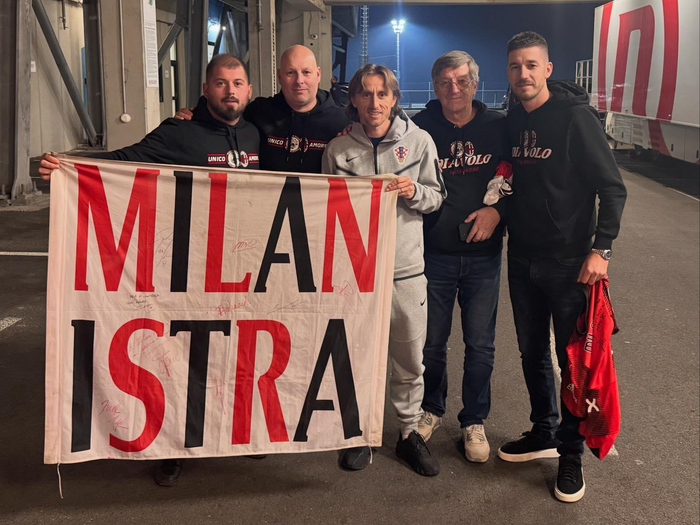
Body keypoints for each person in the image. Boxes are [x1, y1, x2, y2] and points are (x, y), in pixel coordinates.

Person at [38, 54, 261, 488]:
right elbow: (123, 159)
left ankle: (233, 434)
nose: (230, 91)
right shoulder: (179, 132)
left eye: (237, 83)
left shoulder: (254, 133)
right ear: (205, 89)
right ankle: (173, 449)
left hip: (241, 270)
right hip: (189, 272)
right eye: (221, 83)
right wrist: (65, 165)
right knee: (182, 363)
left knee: (232, 357)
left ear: (249, 91)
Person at [498, 31, 627, 503]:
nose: (523, 74)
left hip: (570, 263)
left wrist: (601, 249)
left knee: (573, 363)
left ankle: (571, 454)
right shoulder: (513, 119)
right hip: (521, 258)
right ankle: (543, 431)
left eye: (532, 65)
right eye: (515, 66)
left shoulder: (575, 117)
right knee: (531, 353)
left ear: (548, 69)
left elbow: (612, 188)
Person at [322, 64, 446, 477]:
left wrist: (414, 191)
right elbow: (325, 210)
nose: (374, 103)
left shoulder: (419, 141)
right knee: (357, 356)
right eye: (365, 94)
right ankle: (361, 434)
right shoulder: (338, 150)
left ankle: (409, 433)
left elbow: (437, 197)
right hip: (355, 274)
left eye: (382, 94)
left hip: (405, 271)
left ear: (394, 99)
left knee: (410, 359)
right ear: (354, 100)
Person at [411, 51, 509, 463]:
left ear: (475, 83)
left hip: (483, 257)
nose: (454, 89)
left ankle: (474, 420)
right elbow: (375, 129)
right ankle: (431, 408)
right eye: (445, 82)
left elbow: (523, 177)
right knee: (431, 343)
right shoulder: (417, 127)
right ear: (434, 86)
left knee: (480, 344)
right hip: (433, 254)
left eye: (462, 81)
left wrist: (499, 212)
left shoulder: (499, 127)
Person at [176, 45, 349, 173]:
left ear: (318, 74)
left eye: (306, 72)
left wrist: (354, 131)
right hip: (263, 209)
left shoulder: (340, 122)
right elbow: (226, 114)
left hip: (317, 210)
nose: (299, 81)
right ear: (279, 76)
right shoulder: (259, 111)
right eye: (290, 73)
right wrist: (198, 113)